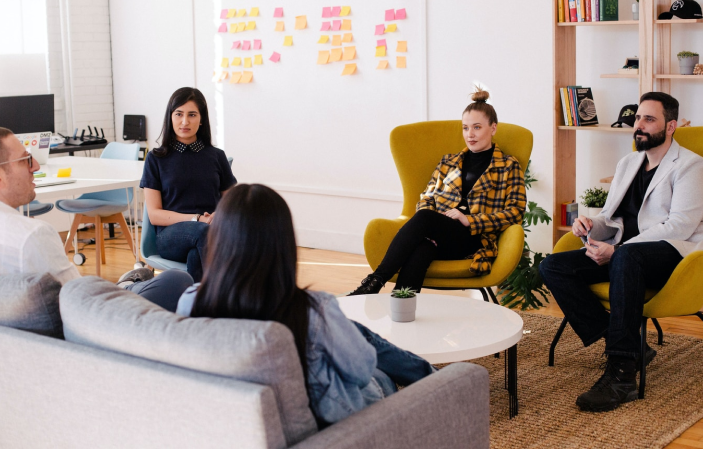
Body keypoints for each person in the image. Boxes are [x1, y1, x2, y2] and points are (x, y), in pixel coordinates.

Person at [134, 183, 436, 426]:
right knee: (377, 370)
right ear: (283, 244)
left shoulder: (191, 302)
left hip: (238, 422)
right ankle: (436, 380)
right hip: (335, 422)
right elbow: (361, 369)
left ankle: (425, 372)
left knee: (350, 331)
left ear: (220, 242)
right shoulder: (312, 310)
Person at [539, 92, 703, 413]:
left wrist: (617, 250)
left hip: (670, 257)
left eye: (648, 119)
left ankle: (622, 376)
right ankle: (631, 346)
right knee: (554, 266)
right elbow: (613, 218)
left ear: (670, 126)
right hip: (623, 255)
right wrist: (590, 226)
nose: (638, 126)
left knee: (627, 258)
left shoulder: (690, 165)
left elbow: (681, 225)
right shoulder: (628, 162)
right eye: (638, 117)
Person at [349, 88, 527, 295]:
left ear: (493, 128)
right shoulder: (448, 162)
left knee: (425, 218)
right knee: (422, 250)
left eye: (477, 127)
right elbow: (427, 197)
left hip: (474, 238)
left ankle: (375, 281)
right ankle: (401, 307)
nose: (470, 134)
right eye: (466, 128)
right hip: (439, 233)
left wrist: (470, 220)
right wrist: (438, 220)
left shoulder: (508, 166)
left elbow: (516, 212)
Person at [0, 127, 193, 307]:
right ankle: (125, 287)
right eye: (25, 159)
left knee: (146, 278)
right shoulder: (31, 236)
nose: (35, 166)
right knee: (177, 279)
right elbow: (80, 300)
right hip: (97, 319)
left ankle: (125, 286)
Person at [140, 87, 237, 282]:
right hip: (170, 237)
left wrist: (220, 214)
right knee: (204, 233)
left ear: (201, 120)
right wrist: (197, 219)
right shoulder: (156, 158)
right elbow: (155, 215)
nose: (185, 121)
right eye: (179, 114)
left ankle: (197, 307)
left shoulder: (216, 156)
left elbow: (234, 202)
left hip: (208, 234)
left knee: (197, 255)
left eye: (192, 115)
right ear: (170, 117)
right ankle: (231, 296)